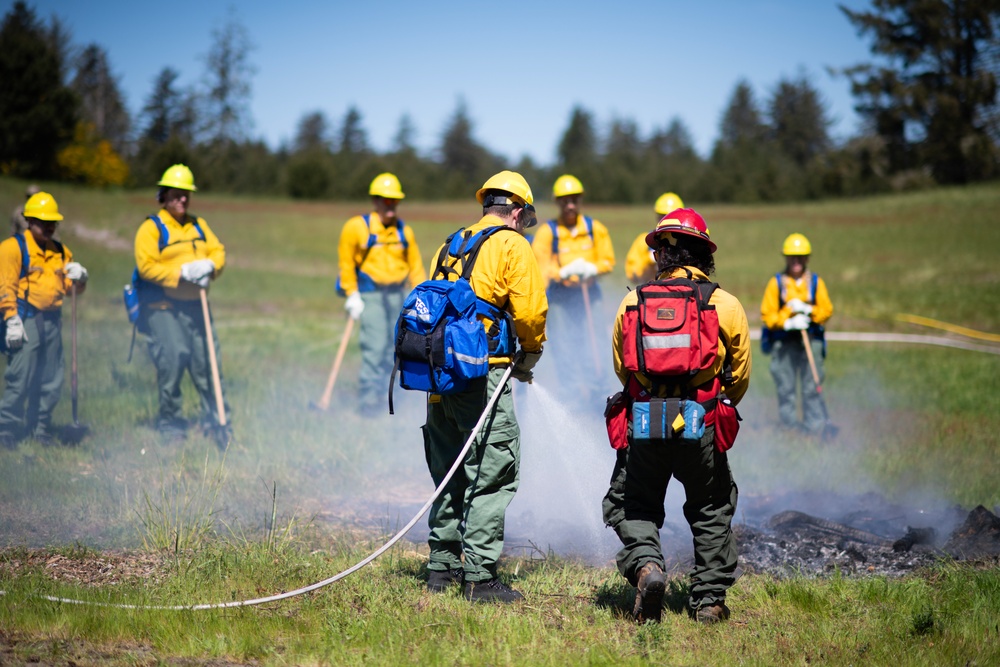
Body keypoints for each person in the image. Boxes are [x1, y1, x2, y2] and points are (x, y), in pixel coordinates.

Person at [602, 208, 751, 624]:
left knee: (634, 504)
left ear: (661, 256)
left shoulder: (632, 302)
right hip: (699, 420)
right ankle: (707, 602)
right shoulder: (725, 305)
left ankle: (648, 568)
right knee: (711, 506)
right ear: (703, 254)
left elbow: (623, 369)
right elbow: (738, 378)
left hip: (645, 423)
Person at [423, 170, 547, 604]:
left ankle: (441, 567)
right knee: (492, 469)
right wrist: (529, 355)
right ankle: (478, 577)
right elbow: (531, 314)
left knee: (449, 467)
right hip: (483, 375)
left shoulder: (451, 243)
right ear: (516, 211)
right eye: (524, 216)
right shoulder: (513, 244)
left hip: (439, 375)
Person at [133, 164, 230, 445]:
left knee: (208, 364)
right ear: (163, 195)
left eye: (187, 194)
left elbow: (218, 250)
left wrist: (212, 266)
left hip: (197, 305)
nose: (183, 199)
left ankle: (219, 422)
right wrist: (182, 273)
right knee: (173, 360)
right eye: (176, 193)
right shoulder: (151, 228)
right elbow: (146, 267)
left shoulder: (199, 225)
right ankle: (171, 424)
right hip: (164, 307)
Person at [0, 192, 89, 446]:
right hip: (24, 318)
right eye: (42, 221)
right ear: (29, 220)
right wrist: (11, 319)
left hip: (53, 319)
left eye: (53, 222)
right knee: (21, 374)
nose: (48, 227)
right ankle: (6, 428)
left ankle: (40, 428)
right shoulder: (12, 247)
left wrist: (81, 279)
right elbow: (4, 285)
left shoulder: (61, 252)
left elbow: (73, 290)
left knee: (51, 376)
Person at [336, 173, 425, 415]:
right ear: (375, 201)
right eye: (386, 201)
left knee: (397, 350)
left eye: (395, 201)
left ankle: (393, 400)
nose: (391, 206)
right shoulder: (356, 227)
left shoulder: (404, 232)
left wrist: (422, 300)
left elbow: (416, 269)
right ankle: (368, 404)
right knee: (375, 349)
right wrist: (351, 294)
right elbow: (345, 264)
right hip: (371, 297)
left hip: (399, 297)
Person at [529, 174, 614, 401]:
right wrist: (561, 273)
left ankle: (600, 390)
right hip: (560, 296)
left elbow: (608, 260)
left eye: (574, 200)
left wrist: (593, 269)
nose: (570, 205)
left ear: (580, 200)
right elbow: (540, 265)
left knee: (595, 339)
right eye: (564, 201)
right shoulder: (549, 232)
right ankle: (572, 393)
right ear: (557, 202)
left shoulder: (594, 229)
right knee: (563, 343)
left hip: (589, 293)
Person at [760, 233, 833, 435]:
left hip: (811, 340)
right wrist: (788, 321)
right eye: (792, 257)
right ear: (786, 258)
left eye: (800, 257)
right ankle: (790, 428)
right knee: (786, 388)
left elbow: (826, 310)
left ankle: (815, 427)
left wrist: (810, 311)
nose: (796, 261)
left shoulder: (816, 282)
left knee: (812, 386)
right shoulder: (776, 283)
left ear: (807, 258)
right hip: (784, 343)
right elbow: (768, 315)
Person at [624, 192, 684, 284]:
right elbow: (632, 274)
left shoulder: (687, 242)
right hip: (650, 292)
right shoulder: (644, 240)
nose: (667, 220)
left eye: (672, 217)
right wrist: (648, 262)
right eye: (663, 216)